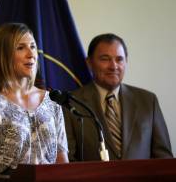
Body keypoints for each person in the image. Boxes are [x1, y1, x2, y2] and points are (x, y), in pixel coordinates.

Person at [0, 23, 69, 176]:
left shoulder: (52, 101)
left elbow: (63, 167)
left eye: (33, 46)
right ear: (4, 55)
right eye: (21, 48)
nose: (31, 54)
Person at [64, 33, 173, 161]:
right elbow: (67, 160)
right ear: (89, 63)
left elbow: (164, 159)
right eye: (105, 59)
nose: (113, 66)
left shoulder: (148, 101)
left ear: (126, 61)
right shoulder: (70, 102)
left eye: (119, 59)